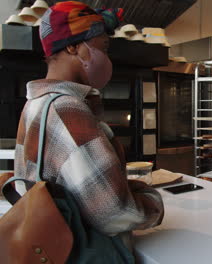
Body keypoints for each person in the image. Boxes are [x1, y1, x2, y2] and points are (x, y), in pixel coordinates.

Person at [14, 1, 164, 248]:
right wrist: (153, 202)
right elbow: (115, 214)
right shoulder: (67, 110)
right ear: (73, 46)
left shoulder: (35, 104)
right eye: (103, 47)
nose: (106, 57)